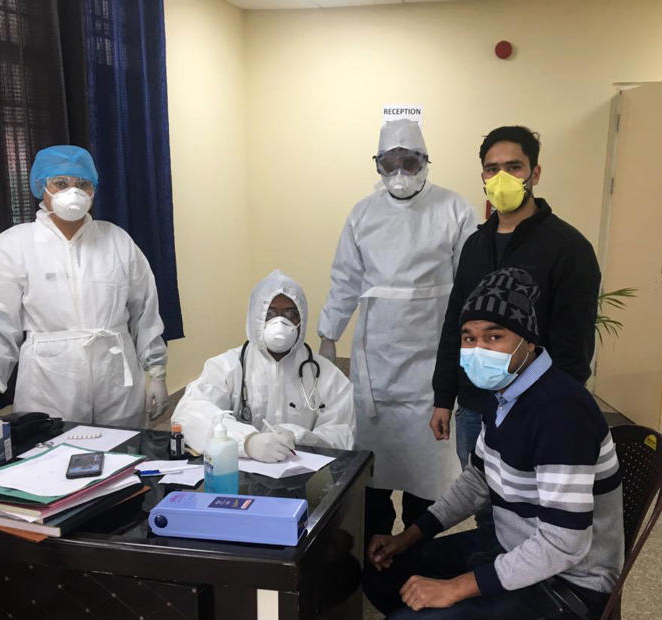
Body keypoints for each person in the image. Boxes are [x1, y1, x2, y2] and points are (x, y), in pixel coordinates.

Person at [366, 268, 623, 620]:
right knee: (382, 576)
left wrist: (456, 590)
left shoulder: (560, 411)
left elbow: (564, 544)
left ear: (526, 341)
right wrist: (410, 536)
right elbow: (477, 480)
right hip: (515, 543)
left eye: (494, 336)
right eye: (468, 337)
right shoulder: (504, 391)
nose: (477, 350)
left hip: (569, 583)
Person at [318, 119, 479, 541]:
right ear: (377, 165)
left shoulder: (455, 209)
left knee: (426, 478)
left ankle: (414, 549)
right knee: (371, 471)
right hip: (377, 364)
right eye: (389, 164)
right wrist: (328, 334)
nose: (400, 173)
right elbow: (345, 279)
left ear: (426, 161)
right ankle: (371, 550)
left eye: (409, 162)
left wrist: (474, 347)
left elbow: (472, 283)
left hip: (434, 366)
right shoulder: (363, 214)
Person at [430, 126, 600, 485]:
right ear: (483, 177)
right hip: (475, 407)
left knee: (526, 507)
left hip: (536, 408)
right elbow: (454, 325)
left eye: (514, 167)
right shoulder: (476, 245)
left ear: (534, 173)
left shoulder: (568, 248)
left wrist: (558, 411)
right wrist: (444, 397)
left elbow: (574, 343)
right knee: (481, 498)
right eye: (492, 169)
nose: (502, 177)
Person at [0, 145, 169, 427]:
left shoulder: (116, 241)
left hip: (115, 380)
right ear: (41, 186)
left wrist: (156, 373)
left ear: (93, 190)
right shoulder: (16, 245)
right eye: (60, 183)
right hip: (49, 382)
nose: (72, 192)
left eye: (82, 184)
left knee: (124, 455)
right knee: (52, 459)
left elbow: (145, 311)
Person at [173, 270, 354, 461]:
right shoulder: (226, 366)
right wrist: (247, 442)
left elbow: (342, 434)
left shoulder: (326, 374)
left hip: (304, 475)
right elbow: (189, 413)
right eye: (270, 313)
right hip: (239, 474)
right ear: (255, 316)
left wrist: (301, 437)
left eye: (291, 313)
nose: (280, 322)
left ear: (302, 318)